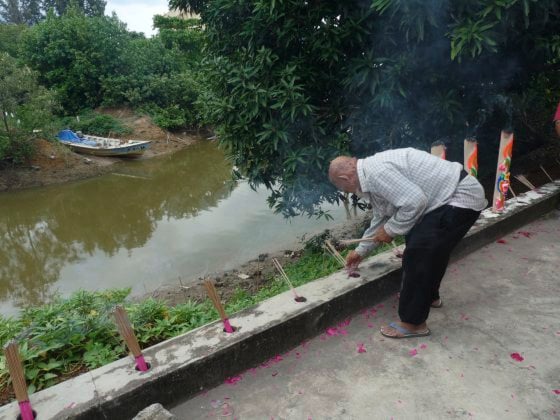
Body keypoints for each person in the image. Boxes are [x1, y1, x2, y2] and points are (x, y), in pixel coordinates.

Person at [328, 148, 487, 338]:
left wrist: (391, 230)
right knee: (426, 248)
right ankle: (429, 297)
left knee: (419, 254)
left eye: (344, 189)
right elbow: (382, 216)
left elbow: (415, 202)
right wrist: (361, 251)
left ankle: (414, 323)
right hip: (444, 199)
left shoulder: (376, 173)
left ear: (346, 178)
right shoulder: (370, 173)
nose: (349, 192)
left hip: (459, 197)